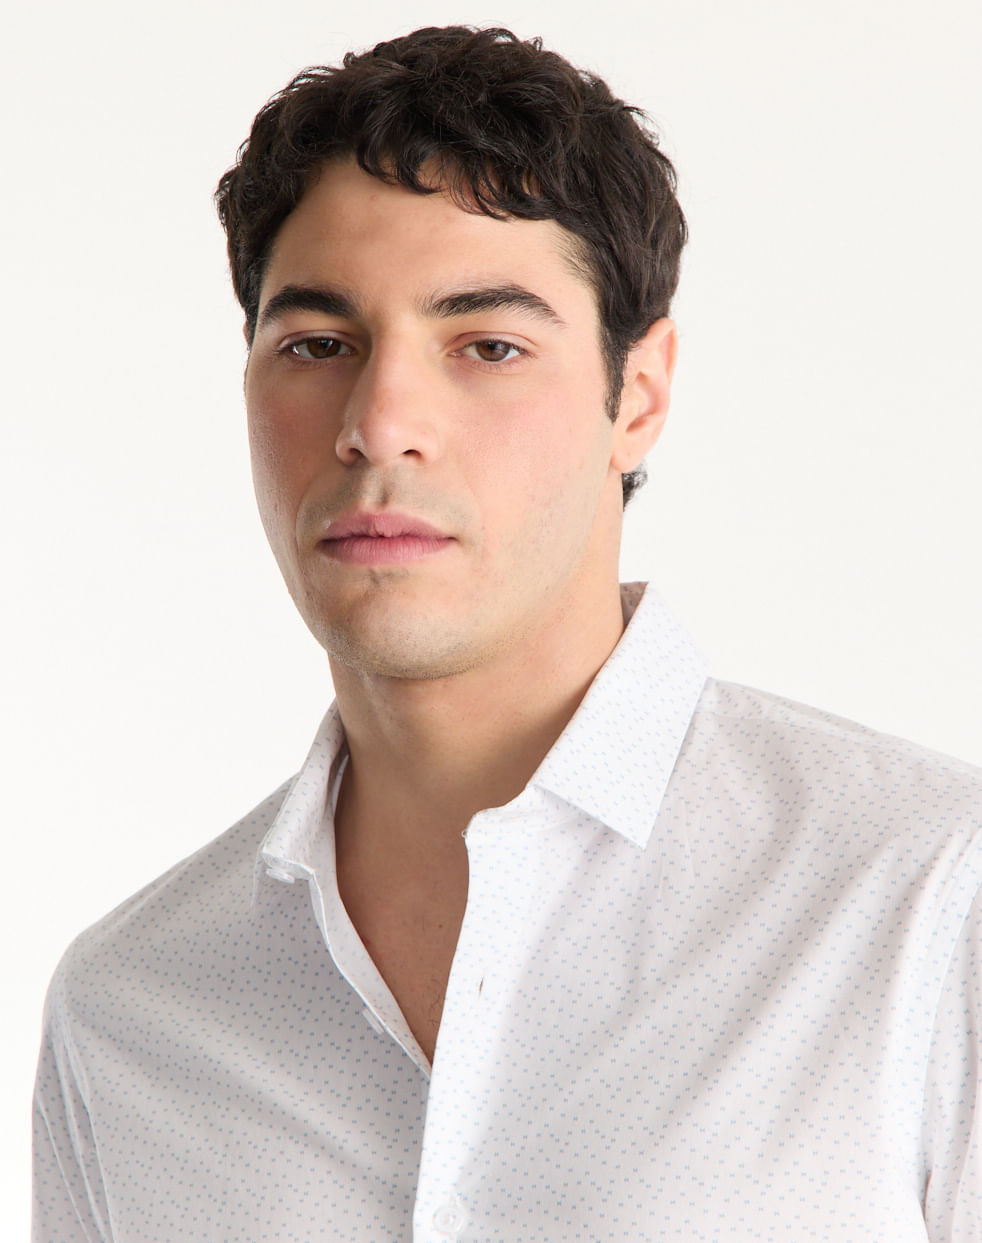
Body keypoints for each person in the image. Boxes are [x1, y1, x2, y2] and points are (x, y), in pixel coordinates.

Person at [32, 24, 981, 1242]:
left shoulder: (926, 900)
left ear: (637, 396)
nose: (381, 423)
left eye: (487, 345)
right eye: (317, 344)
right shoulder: (130, 1013)